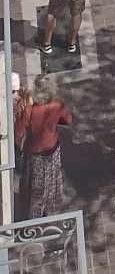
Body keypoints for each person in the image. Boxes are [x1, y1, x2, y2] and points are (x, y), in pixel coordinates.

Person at [17, 76, 72, 218]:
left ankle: (34, 217)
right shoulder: (57, 105)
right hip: (52, 149)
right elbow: (68, 120)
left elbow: (18, 130)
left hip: (34, 153)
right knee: (51, 182)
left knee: (35, 187)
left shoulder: (30, 108)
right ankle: (50, 210)